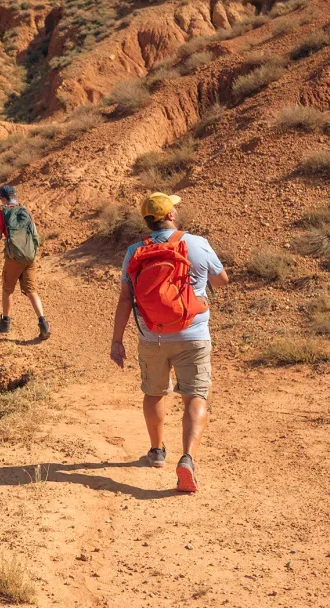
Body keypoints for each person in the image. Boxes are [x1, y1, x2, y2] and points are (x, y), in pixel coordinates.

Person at [109, 192, 228, 493]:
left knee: (154, 392)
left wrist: (116, 340)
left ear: (149, 220)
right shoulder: (197, 244)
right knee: (195, 396)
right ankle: (187, 459)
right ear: (171, 215)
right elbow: (222, 280)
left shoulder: (135, 250)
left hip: (153, 336)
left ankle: (157, 452)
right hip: (194, 335)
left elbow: (126, 298)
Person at [0, 185, 51, 341]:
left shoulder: (2, 212)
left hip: (14, 258)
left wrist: (0, 234)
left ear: (3, 199)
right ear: (15, 196)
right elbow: (34, 232)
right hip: (30, 256)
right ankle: (43, 323)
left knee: (7, 289)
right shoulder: (25, 209)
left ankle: (5, 323)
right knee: (31, 290)